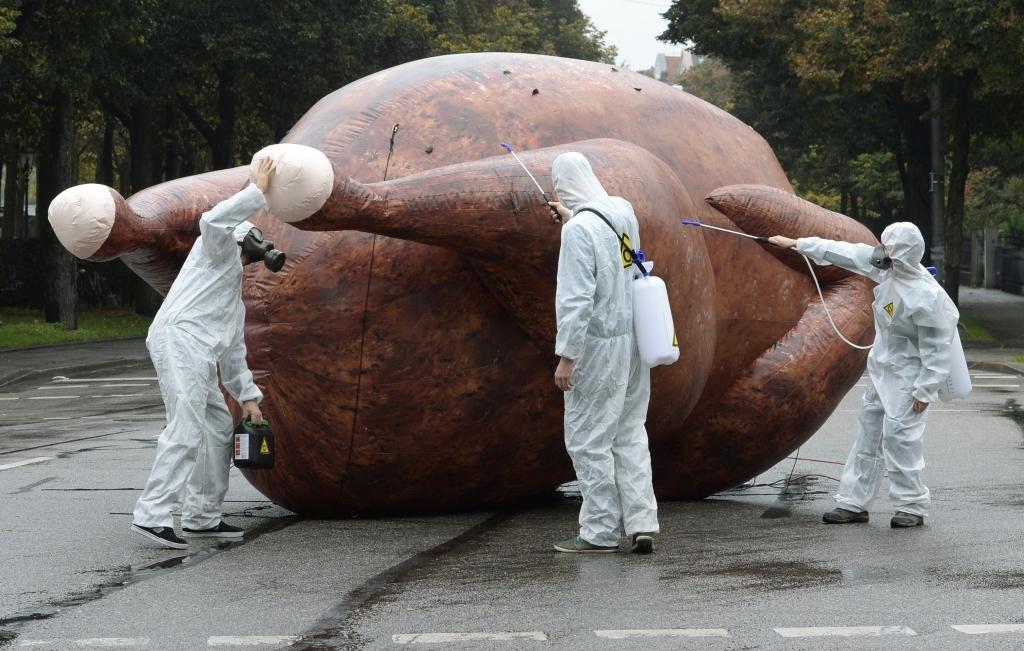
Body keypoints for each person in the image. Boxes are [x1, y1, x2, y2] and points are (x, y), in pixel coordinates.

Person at [769, 222, 958, 528]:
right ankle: (853, 503)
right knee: (867, 436)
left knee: (901, 440)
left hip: (908, 377)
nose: (881, 252)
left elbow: (938, 350)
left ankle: (911, 506)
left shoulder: (927, 297)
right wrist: (797, 243)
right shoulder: (887, 272)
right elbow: (846, 252)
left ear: (903, 255)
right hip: (882, 370)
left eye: (889, 248)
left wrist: (925, 391)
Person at [131, 157, 277, 549]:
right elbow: (212, 221)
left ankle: (202, 516)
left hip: (196, 350)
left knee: (214, 427)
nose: (253, 255)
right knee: (188, 424)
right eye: (251, 245)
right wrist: (257, 192)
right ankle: (152, 514)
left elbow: (233, 354)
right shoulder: (213, 249)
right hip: (180, 340)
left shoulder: (232, 296)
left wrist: (249, 400)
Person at [548, 152, 659, 554]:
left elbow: (577, 299)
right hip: (631, 342)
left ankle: (597, 532)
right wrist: (572, 217)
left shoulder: (578, 231)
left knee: (589, 440)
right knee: (630, 433)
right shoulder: (623, 214)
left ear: (563, 187)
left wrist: (567, 355)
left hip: (596, 348)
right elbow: (619, 261)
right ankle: (643, 522)